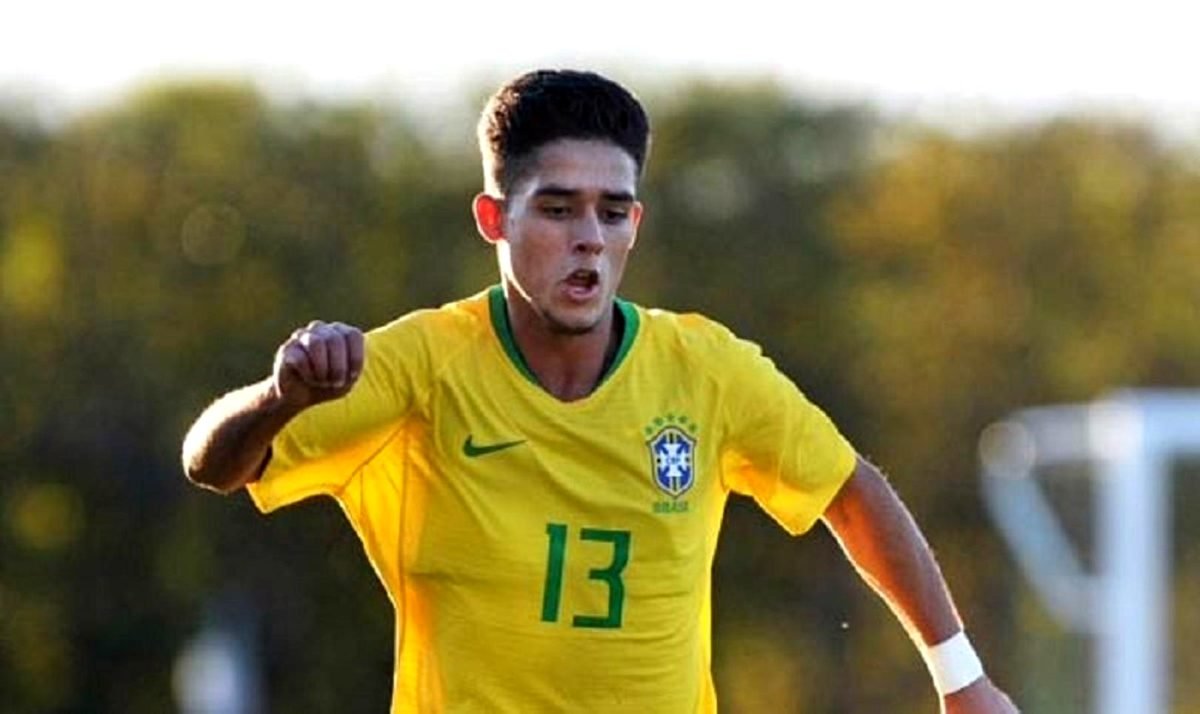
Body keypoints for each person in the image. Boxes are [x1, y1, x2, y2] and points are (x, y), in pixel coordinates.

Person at [182, 69, 1018, 713]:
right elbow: (213, 464)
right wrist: (281, 397)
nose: (588, 238)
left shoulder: (706, 371)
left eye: (612, 213)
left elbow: (850, 490)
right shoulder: (421, 364)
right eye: (558, 210)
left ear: (635, 225)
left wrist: (962, 679)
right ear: (494, 219)